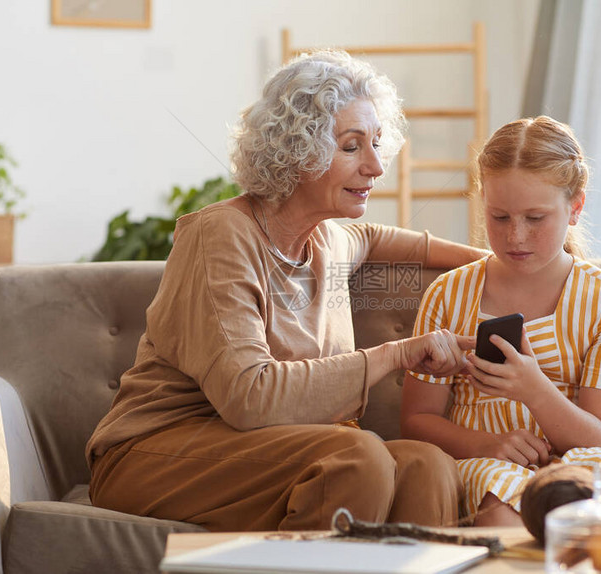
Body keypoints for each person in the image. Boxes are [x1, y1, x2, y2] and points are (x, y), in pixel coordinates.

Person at [85, 50, 486, 532]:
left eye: (376, 143)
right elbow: (249, 397)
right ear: (298, 150)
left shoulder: (331, 238)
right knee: (357, 457)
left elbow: (384, 239)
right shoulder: (222, 235)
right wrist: (397, 354)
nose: (377, 167)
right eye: (352, 146)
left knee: (428, 465)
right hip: (157, 451)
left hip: (277, 450)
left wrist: (497, 263)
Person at [400, 116, 601, 527]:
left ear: (575, 207)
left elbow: (597, 436)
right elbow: (416, 419)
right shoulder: (448, 294)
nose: (516, 237)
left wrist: (535, 390)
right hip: (486, 460)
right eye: (499, 217)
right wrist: (487, 444)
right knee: (505, 514)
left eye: (535, 218)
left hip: (583, 455)